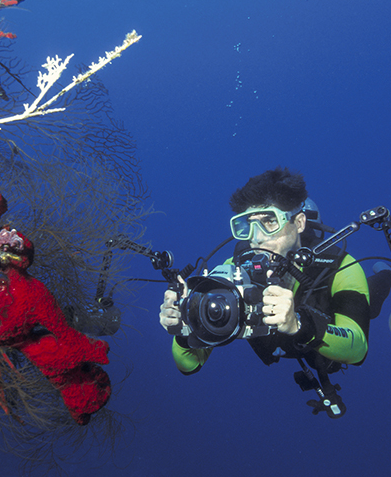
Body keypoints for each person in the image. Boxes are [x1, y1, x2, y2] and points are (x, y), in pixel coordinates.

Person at [159, 167, 372, 390]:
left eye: (270, 222)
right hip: (282, 346)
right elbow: (189, 365)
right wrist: (185, 326)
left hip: (326, 330)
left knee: (373, 300)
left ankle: (386, 277)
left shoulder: (341, 266)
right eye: (248, 225)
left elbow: (357, 349)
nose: (257, 238)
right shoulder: (234, 269)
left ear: (299, 223)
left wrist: (299, 325)